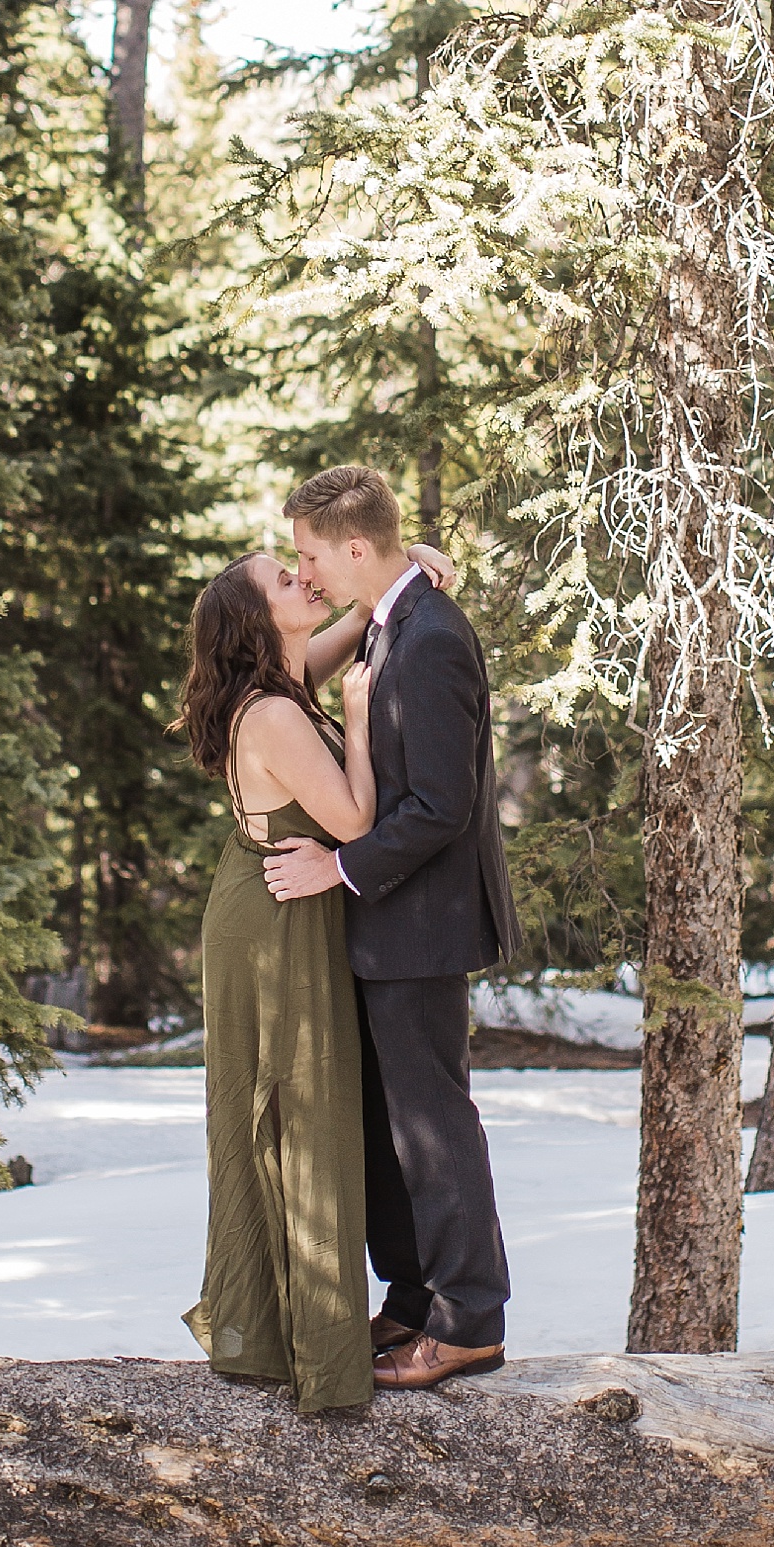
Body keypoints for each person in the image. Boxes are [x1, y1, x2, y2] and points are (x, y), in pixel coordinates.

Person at [175, 539, 453, 1412]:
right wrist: (361, 722)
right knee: (295, 1106)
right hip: (276, 919)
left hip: (277, 899)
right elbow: (357, 815)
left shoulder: (285, 675)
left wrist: (405, 563)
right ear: (258, 622)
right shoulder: (275, 715)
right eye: (283, 579)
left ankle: (288, 1325)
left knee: (301, 1105)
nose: (303, 580)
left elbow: (360, 614)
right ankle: (301, 1343)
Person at [264, 466, 522, 1390]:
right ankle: (411, 1299)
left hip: (423, 925)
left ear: (358, 549)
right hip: (388, 925)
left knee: (433, 1125)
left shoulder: (432, 641)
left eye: (311, 553)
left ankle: (468, 1321)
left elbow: (442, 807)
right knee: (391, 1125)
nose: (306, 570)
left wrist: (336, 867)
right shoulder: (391, 616)